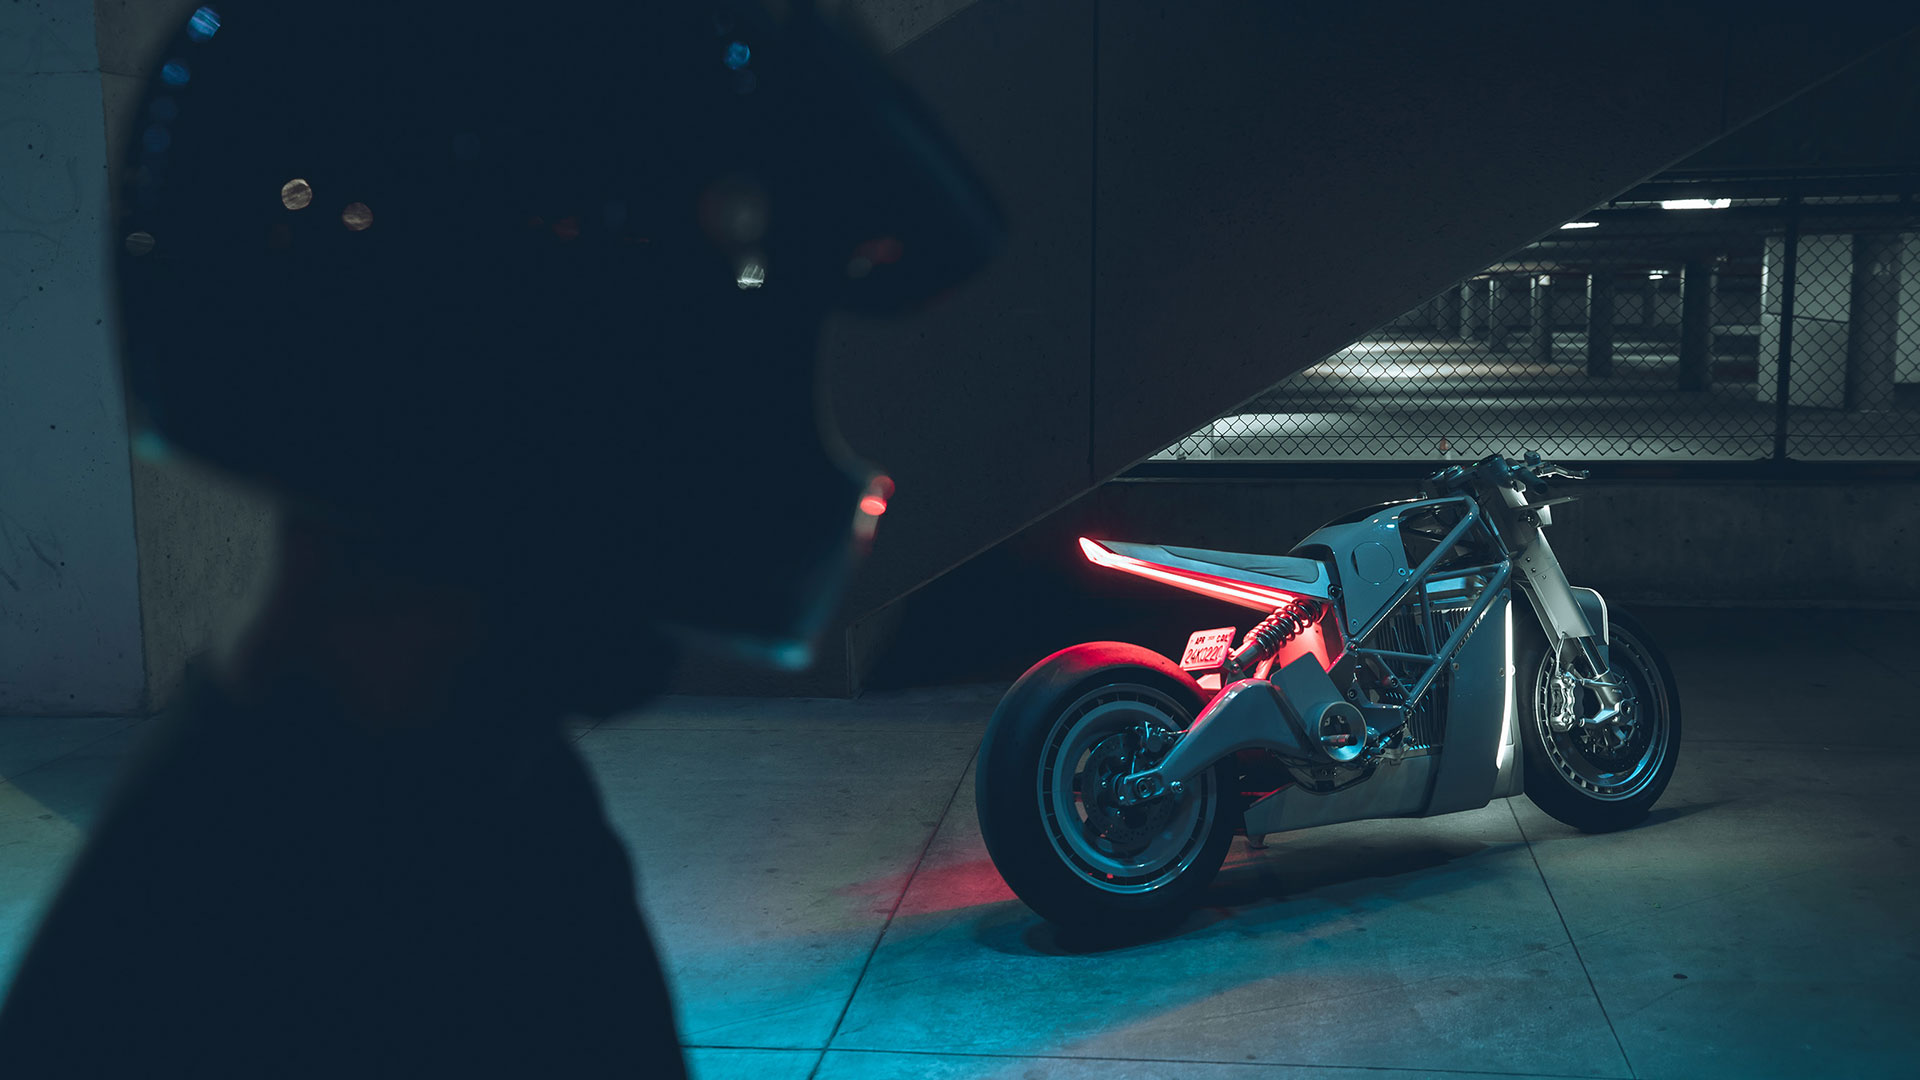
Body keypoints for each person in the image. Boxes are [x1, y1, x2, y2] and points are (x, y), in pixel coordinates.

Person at [0, 1, 999, 1074]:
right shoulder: (257, 940)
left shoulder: (462, 803)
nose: (728, 434)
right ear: (516, 372)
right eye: (687, 350)